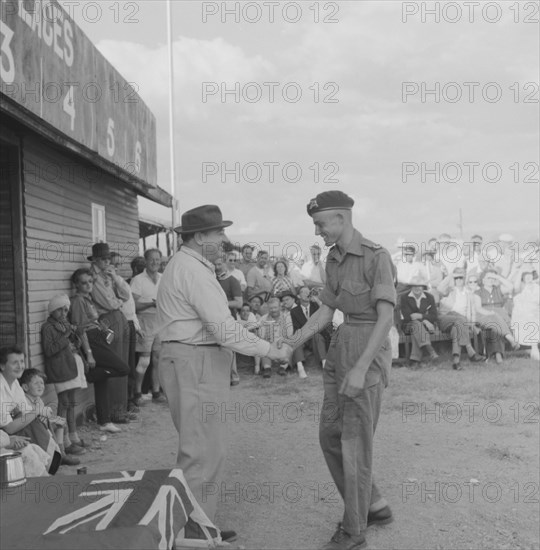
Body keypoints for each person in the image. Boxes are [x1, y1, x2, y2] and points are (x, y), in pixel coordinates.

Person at [155, 204, 291, 542]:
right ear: (200, 237)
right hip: (195, 360)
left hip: (193, 358)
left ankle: (199, 525)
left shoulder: (191, 266)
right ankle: (192, 534)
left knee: (203, 449)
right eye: (218, 232)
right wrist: (269, 351)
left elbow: (220, 325)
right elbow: (223, 331)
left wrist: (256, 326)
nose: (224, 239)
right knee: (201, 452)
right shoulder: (192, 270)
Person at [285, 191, 396, 550]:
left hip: (367, 346)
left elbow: (386, 316)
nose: (317, 231)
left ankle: (353, 531)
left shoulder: (376, 256)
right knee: (331, 437)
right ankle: (373, 504)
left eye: (320, 224)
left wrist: (362, 367)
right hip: (340, 344)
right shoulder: (332, 259)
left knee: (355, 443)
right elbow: (325, 311)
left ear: (341, 218)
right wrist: (291, 342)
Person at [69, 268, 130, 433]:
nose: (88, 285)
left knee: (102, 381)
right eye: (83, 282)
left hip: (98, 336)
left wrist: (104, 330)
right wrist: (88, 354)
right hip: (91, 340)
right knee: (123, 368)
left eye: (90, 281)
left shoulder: (88, 299)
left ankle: (104, 421)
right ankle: (86, 376)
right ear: (76, 285)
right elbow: (80, 329)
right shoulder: (77, 301)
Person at [0, 346, 61, 474]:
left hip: (7, 432)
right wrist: (37, 411)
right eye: (14, 362)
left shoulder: (15, 383)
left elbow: (25, 412)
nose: (20, 366)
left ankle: (52, 456)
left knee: (35, 421)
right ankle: (52, 458)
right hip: (3, 435)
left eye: (22, 362)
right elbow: (9, 428)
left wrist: (36, 412)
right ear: (2, 365)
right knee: (33, 423)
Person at [88, 243, 131, 422]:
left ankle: (121, 408)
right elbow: (108, 302)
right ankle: (113, 411)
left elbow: (127, 295)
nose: (107, 262)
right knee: (115, 362)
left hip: (118, 317)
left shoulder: (109, 274)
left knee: (123, 359)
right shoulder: (93, 276)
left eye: (108, 259)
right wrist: (118, 303)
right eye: (104, 259)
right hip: (106, 318)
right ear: (96, 259)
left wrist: (116, 278)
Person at [41, 294, 89, 454]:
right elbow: (49, 350)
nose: (63, 313)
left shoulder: (64, 324)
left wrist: (76, 340)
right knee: (63, 404)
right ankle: (63, 443)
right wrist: (66, 336)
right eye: (59, 310)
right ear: (52, 311)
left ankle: (73, 436)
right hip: (59, 369)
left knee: (71, 402)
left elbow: (68, 343)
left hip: (70, 367)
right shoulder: (48, 328)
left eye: (65, 310)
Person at [20, 369, 80, 467]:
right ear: (25, 387)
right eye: (36, 383)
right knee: (51, 426)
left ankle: (61, 454)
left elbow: (43, 416)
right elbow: (33, 419)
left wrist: (54, 419)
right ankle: (55, 456)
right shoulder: (25, 401)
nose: (40, 386)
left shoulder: (38, 399)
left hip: (42, 425)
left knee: (60, 423)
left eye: (42, 383)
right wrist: (51, 420)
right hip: (33, 431)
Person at [130, 248, 165, 405]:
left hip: (160, 322)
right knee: (144, 360)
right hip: (144, 322)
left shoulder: (164, 278)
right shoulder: (138, 280)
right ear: (145, 261)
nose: (155, 262)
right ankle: (137, 393)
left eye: (158, 259)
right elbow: (133, 306)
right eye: (152, 259)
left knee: (158, 359)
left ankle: (156, 392)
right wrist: (151, 303)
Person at [437, 268, 485, 369]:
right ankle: (470, 350)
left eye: (461, 278)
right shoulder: (448, 290)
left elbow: (471, 312)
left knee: (457, 328)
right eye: (456, 278)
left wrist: (472, 324)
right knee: (461, 320)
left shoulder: (468, 293)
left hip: (460, 323)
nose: (458, 280)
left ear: (464, 279)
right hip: (446, 319)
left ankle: (456, 361)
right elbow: (440, 288)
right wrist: (451, 275)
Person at [214, 255, 243, 386]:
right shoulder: (210, 280)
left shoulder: (232, 281)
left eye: (220, 264)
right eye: (215, 264)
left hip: (228, 318)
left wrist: (221, 303)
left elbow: (239, 303)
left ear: (225, 264)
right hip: (212, 318)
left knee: (229, 347)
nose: (217, 267)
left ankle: (233, 375)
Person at [290, 286, 330, 378]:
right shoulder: (294, 311)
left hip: (315, 336)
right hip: (303, 337)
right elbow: (296, 328)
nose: (307, 293)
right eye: (303, 292)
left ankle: (325, 364)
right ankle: (300, 367)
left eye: (308, 292)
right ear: (299, 296)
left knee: (318, 336)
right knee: (297, 337)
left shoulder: (316, 306)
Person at [400, 275, 439, 368]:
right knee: (416, 325)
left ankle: (415, 360)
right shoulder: (404, 297)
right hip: (408, 326)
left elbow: (434, 316)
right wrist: (425, 320)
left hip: (425, 327)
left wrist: (421, 317)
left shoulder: (429, 297)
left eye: (419, 286)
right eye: (414, 286)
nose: (417, 288)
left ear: (423, 287)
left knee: (417, 329)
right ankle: (430, 349)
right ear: (411, 287)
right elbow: (408, 317)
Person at [258, 297, 294, 378]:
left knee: (287, 345)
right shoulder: (264, 318)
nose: (273, 310)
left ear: (280, 307)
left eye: (275, 307)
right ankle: (267, 368)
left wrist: (281, 340)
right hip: (269, 341)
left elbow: (289, 333)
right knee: (263, 346)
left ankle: (282, 368)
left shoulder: (286, 317)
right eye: (271, 308)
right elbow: (261, 334)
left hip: (282, 342)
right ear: (268, 308)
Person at [511, 265, 540, 360]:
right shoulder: (520, 287)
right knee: (532, 318)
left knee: (535, 315)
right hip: (521, 315)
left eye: (530, 274)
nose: (528, 276)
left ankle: (534, 349)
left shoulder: (536, 286)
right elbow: (516, 288)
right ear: (522, 277)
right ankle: (534, 349)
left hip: (534, 312)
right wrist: (521, 270)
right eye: (525, 275)